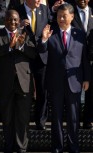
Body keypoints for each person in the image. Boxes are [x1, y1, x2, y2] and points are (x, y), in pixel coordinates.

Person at [38, 3, 90, 153]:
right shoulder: (50, 33)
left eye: (64, 16)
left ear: (72, 17)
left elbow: (84, 59)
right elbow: (41, 53)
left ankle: (74, 147)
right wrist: (43, 40)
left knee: (73, 119)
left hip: (74, 82)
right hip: (55, 83)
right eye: (59, 16)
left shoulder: (79, 34)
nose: (60, 18)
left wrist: (86, 79)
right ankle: (57, 147)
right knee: (56, 118)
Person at [0, 10, 37, 153]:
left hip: (23, 81)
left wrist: (21, 46)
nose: (13, 22)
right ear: (5, 20)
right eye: (10, 20)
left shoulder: (26, 33)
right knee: (7, 117)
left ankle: (22, 148)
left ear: (19, 20)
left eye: (15, 20)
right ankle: (9, 147)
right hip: (5, 82)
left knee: (23, 118)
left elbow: (34, 53)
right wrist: (9, 46)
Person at [15, 0, 53, 130]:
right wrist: (19, 26)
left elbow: (51, 25)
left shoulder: (45, 9)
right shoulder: (17, 10)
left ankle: (41, 121)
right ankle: (22, 121)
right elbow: (10, 29)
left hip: (42, 56)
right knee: (24, 91)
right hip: (24, 57)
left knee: (43, 90)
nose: (39, 0)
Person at [71, 0, 93, 130]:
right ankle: (75, 120)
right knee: (74, 91)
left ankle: (88, 120)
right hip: (75, 57)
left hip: (90, 59)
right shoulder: (70, 12)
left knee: (90, 93)